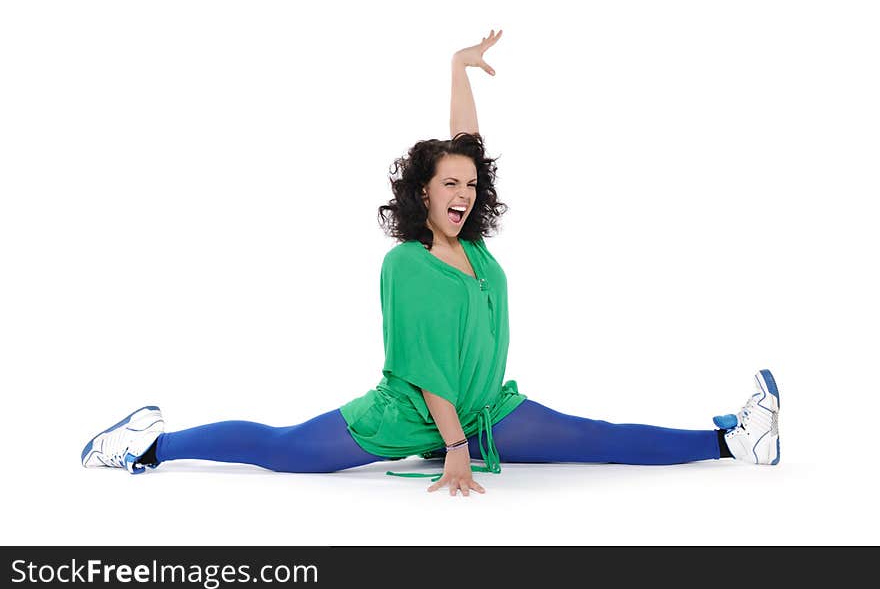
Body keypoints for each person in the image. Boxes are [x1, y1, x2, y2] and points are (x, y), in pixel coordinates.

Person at [80, 29, 781, 497]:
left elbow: (466, 144)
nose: (464, 192)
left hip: (483, 409)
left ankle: (734, 442)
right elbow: (425, 363)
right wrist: (450, 447)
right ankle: (151, 445)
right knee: (282, 447)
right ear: (422, 192)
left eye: (470, 185)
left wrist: (456, 66)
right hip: (410, 417)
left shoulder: (470, 246)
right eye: (449, 184)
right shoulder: (409, 265)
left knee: (598, 439)